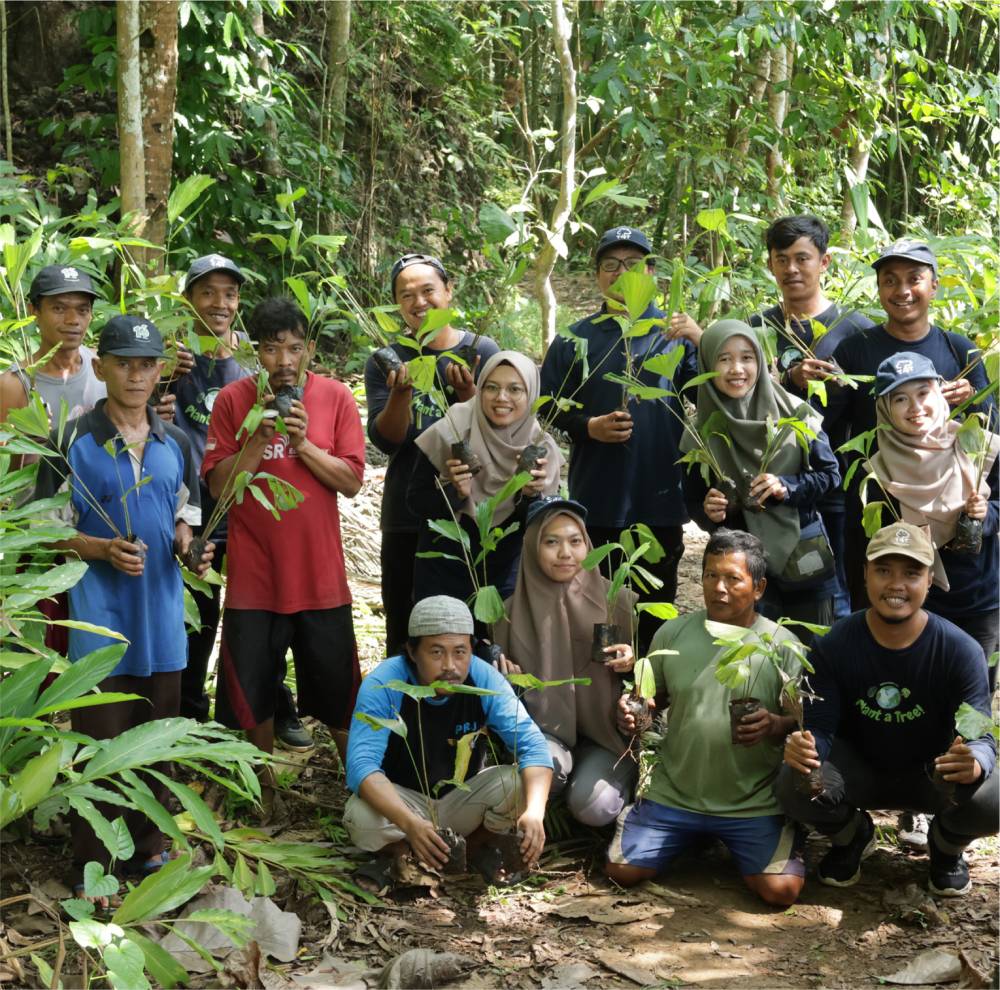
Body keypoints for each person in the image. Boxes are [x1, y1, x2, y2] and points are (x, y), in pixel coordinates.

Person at [33, 315, 213, 904]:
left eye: (146, 364)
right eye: (124, 363)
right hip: (100, 622)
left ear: (161, 371)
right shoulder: (71, 441)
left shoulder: (175, 441)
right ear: (100, 366)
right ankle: (93, 867)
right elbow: (46, 530)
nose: (136, 375)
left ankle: (149, 847)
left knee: (154, 739)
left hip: (162, 621)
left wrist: (191, 551)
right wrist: (100, 548)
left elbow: (184, 515)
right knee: (101, 746)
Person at [776, 522, 998, 897]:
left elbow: (981, 735)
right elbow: (821, 727)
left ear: (930, 580)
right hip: (858, 772)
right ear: (865, 574)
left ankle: (946, 848)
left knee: (993, 797)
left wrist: (974, 759)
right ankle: (852, 836)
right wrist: (807, 750)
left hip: (932, 776)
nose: (896, 585)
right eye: (883, 570)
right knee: (792, 780)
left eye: (911, 573)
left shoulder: (960, 650)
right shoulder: (834, 644)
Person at [605, 529, 806, 907]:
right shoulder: (673, 633)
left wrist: (774, 724)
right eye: (711, 575)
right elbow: (653, 699)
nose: (719, 588)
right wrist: (634, 711)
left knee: (780, 891)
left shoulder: (782, 645)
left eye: (733, 578)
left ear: (759, 588)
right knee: (622, 871)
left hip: (752, 801)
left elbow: (801, 724)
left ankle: (776, 833)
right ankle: (685, 834)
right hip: (675, 793)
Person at [202, 298, 364, 765]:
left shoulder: (335, 397)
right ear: (256, 352)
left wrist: (303, 444)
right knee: (252, 700)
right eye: (272, 349)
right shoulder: (233, 400)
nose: (285, 361)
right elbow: (219, 488)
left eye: (294, 348)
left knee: (340, 694)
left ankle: (359, 785)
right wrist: (258, 437)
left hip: (320, 576)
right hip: (255, 578)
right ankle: (264, 790)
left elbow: (351, 481)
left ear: (310, 348)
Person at [538, 226, 697, 648]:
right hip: (598, 500)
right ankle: (601, 686)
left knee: (654, 607)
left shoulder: (673, 334)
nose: (621, 272)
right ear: (597, 275)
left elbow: (711, 393)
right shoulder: (576, 338)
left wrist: (701, 339)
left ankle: (646, 685)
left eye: (632, 264)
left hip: (660, 498)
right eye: (610, 264)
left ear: (650, 273)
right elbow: (546, 405)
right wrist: (588, 426)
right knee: (598, 610)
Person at [823, 240, 996, 607]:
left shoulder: (958, 348)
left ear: (933, 286)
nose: (902, 291)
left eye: (914, 279)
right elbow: (825, 427)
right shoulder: (854, 349)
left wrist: (973, 401)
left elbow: (989, 431)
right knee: (881, 621)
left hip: (951, 517)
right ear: (879, 288)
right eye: (890, 280)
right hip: (880, 510)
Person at [344, 595, 553, 875]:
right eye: (436, 652)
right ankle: (402, 851)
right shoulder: (385, 683)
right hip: (403, 802)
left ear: (471, 650)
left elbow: (533, 746)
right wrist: (409, 823)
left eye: (460, 652)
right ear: (411, 651)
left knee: (521, 785)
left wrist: (535, 813)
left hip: (462, 798)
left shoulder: (483, 678)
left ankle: (474, 847)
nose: (450, 666)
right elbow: (361, 767)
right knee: (360, 817)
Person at [365, 253, 500, 655]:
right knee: (405, 627)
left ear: (448, 291)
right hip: (407, 515)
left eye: (428, 291)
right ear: (396, 303)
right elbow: (387, 441)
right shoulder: (387, 360)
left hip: (472, 513)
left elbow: (501, 432)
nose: (419, 302)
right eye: (406, 295)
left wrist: (468, 395)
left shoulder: (481, 349)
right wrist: (401, 395)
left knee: (474, 626)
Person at [750, 215, 876, 619]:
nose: (791, 269)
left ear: (824, 262)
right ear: (770, 265)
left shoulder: (856, 330)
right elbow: (738, 398)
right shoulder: (757, 328)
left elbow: (880, 407)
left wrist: (846, 385)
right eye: (781, 259)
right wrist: (788, 378)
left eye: (802, 258)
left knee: (834, 600)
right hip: (770, 489)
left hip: (835, 491)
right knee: (765, 599)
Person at [683, 320, 841, 634]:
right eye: (724, 359)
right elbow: (693, 502)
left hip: (802, 561)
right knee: (746, 655)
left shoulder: (796, 414)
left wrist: (787, 486)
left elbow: (830, 476)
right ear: (707, 365)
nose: (736, 369)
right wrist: (709, 511)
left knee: (810, 651)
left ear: (759, 361)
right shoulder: (700, 432)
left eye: (747, 358)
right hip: (739, 571)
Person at [492, 498, 637, 826]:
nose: (565, 553)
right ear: (531, 547)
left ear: (588, 545)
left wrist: (634, 664)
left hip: (606, 736)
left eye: (575, 541)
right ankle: (550, 795)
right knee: (540, 773)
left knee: (594, 806)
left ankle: (621, 779)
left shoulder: (617, 601)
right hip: (545, 735)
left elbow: (655, 681)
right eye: (551, 542)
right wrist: (506, 682)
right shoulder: (506, 614)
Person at [867, 352, 999, 684]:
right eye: (900, 399)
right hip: (915, 604)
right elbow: (869, 548)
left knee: (974, 699)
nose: (915, 407)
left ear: (939, 392)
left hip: (979, 598)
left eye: (923, 393)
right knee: (923, 695)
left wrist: (987, 515)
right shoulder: (876, 471)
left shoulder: (975, 444)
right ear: (885, 408)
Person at [407, 350, 562, 608]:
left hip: (508, 577)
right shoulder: (452, 430)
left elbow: (543, 529)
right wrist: (455, 492)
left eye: (515, 389)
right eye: (491, 387)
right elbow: (414, 501)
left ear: (532, 395)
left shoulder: (540, 447)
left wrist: (530, 495)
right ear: (479, 390)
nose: (501, 397)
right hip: (444, 570)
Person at [1, 265, 104, 425]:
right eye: (58, 308)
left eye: (82, 310)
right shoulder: (13, 385)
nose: (73, 320)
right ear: (34, 311)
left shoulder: (103, 365)